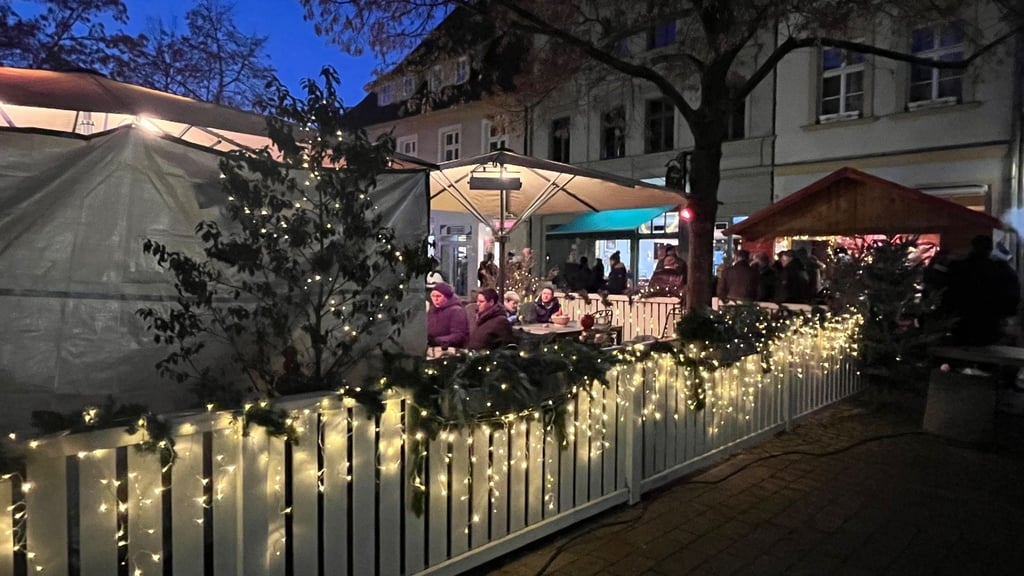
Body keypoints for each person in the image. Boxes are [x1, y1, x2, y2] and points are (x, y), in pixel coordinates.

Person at [942, 235, 1020, 346]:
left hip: (960, 324)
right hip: (989, 324)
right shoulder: (1000, 270)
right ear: (990, 249)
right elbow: (1011, 298)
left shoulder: (958, 268)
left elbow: (945, 294)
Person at [427, 282, 469, 348]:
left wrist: (437, 340)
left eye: (438, 296)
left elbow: (459, 335)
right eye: (433, 296)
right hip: (431, 347)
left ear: (446, 297)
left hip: (449, 349)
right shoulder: (432, 310)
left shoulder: (456, 311)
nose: (435, 299)